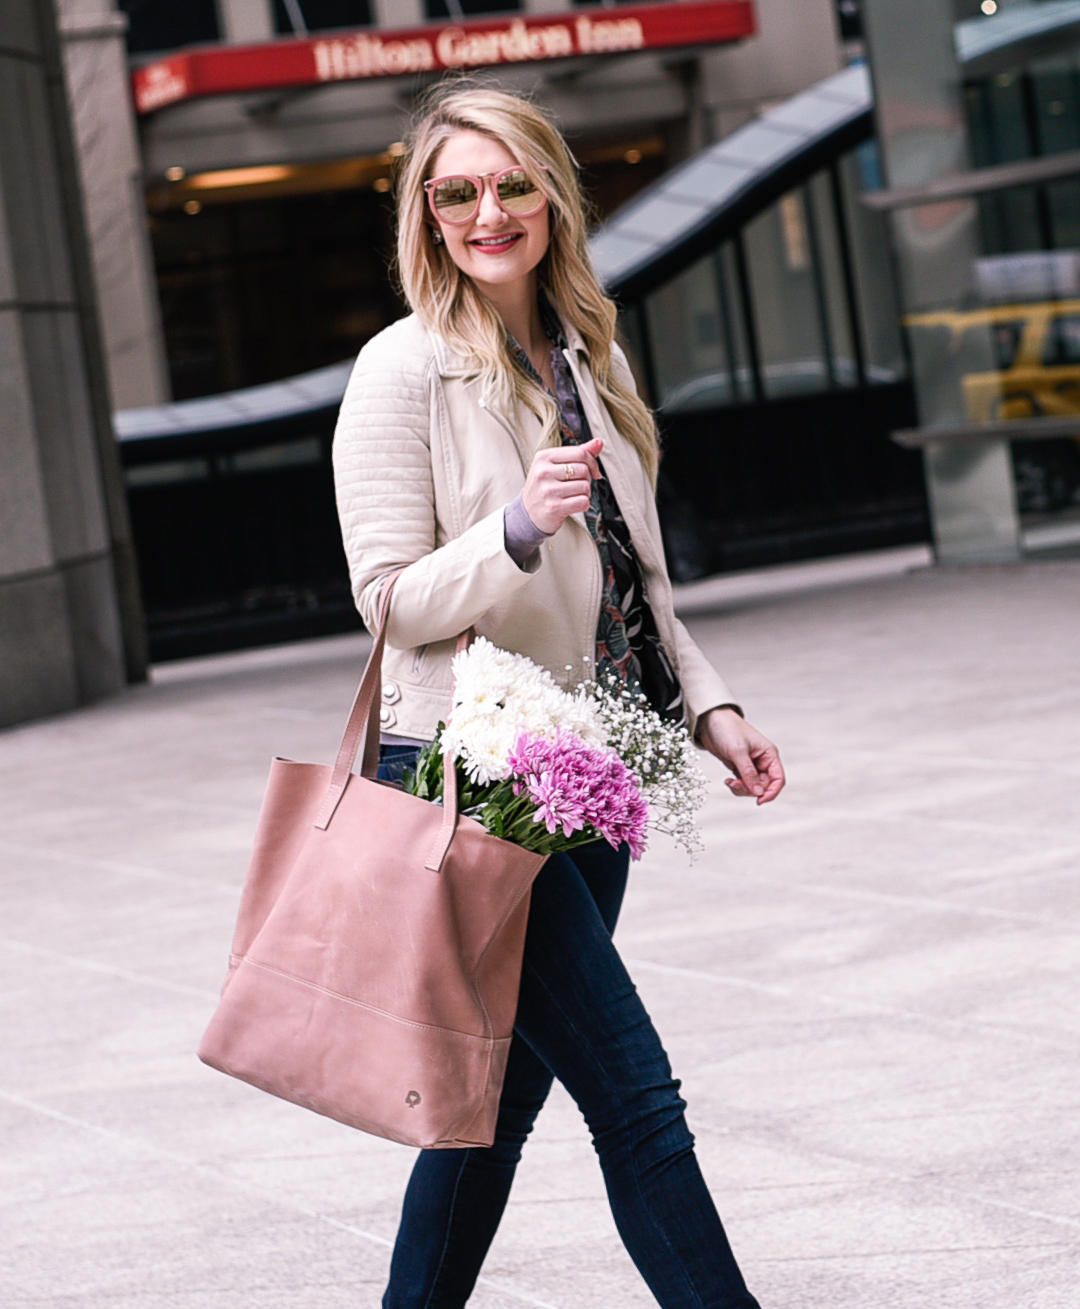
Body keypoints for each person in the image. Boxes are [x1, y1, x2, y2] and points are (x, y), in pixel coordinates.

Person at [332, 81, 785, 1309]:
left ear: (550, 195)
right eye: (458, 191)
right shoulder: (402, 372)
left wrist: (710, 707)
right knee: (636, 1093)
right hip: (472, 781)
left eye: (512, 183)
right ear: (425, 215)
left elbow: (641, 575)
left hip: (594, 771)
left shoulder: (591, 351)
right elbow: (384, 600)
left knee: (496, 1108)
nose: (490, 210)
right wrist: (515, 527)